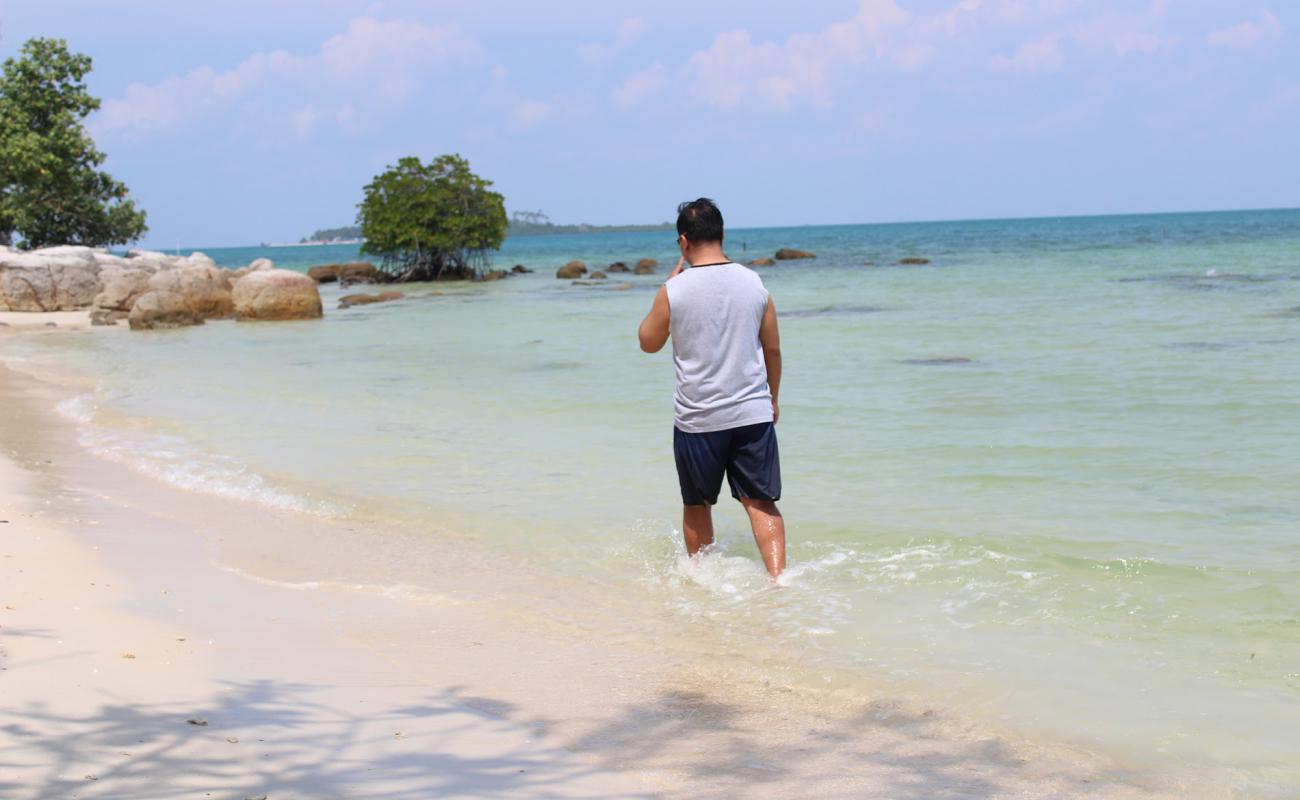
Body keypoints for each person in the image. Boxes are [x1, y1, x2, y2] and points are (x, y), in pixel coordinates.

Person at [637, 198, 786, 578]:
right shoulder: (755, 284)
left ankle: (703, 583)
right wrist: (773, 398)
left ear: (683, 242)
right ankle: (779, 581)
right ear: (722, 235)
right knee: (762, 503)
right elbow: (772, 348)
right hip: (752, 411)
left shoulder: (675, 290)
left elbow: (648, 342)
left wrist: (667, 288)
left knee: (697, 505)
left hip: (698, 418)